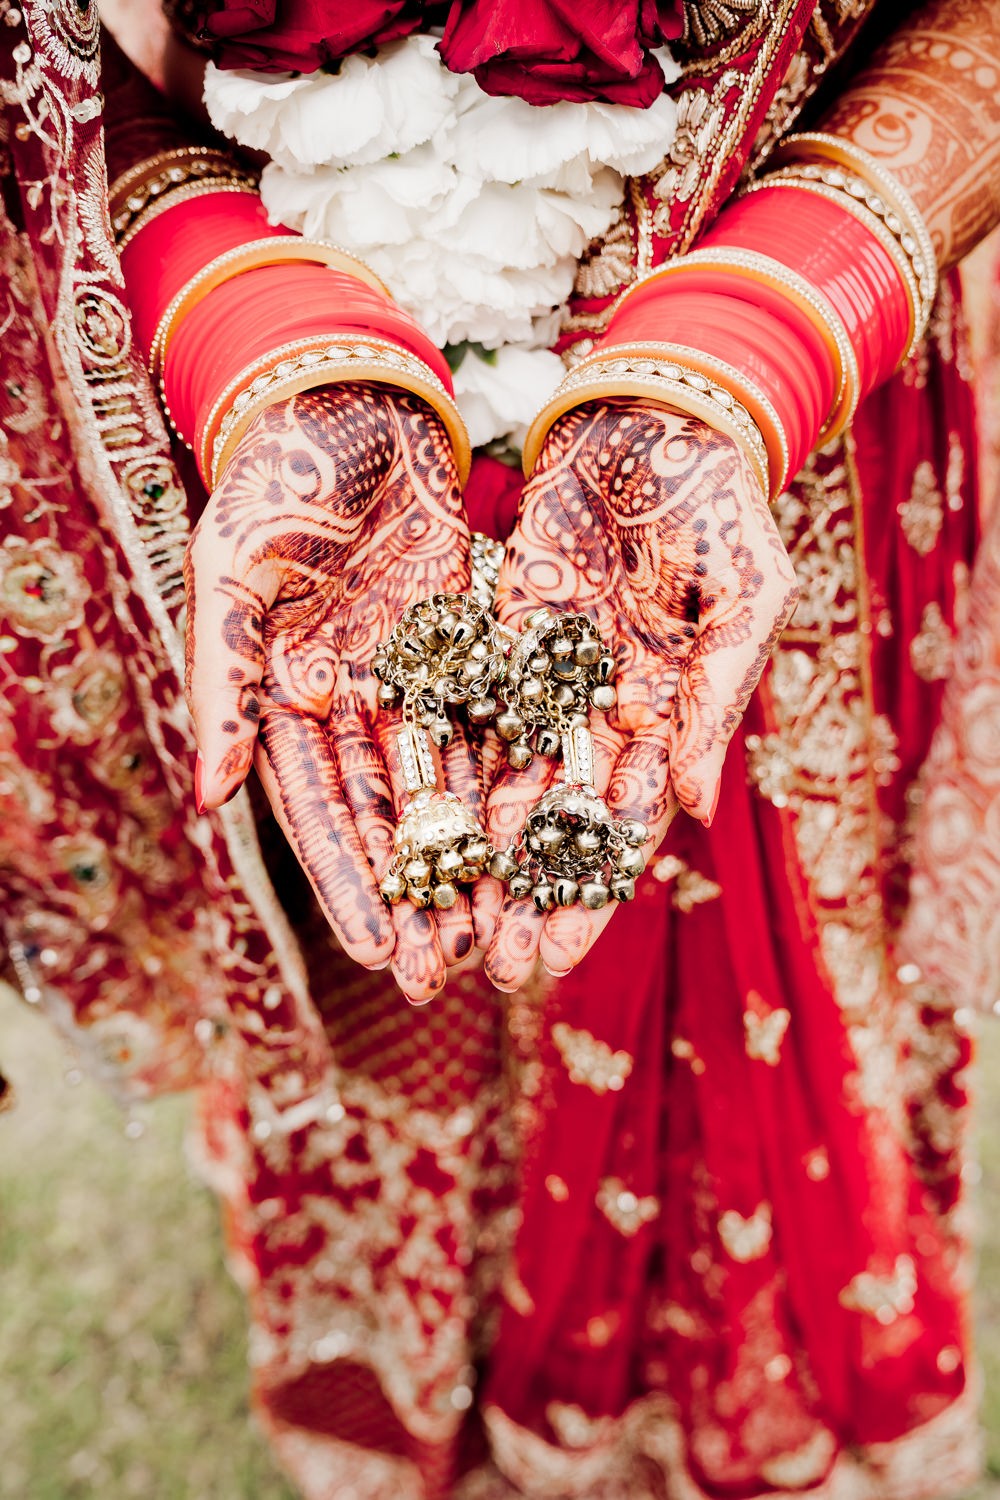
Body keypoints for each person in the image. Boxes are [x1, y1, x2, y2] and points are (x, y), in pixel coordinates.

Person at [1, 0, 999, 1495]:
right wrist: (261, 335)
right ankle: (433, 1405)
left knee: (767, 921)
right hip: (283, 382)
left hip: (791, 429)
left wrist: (754, 345)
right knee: (392, 972)